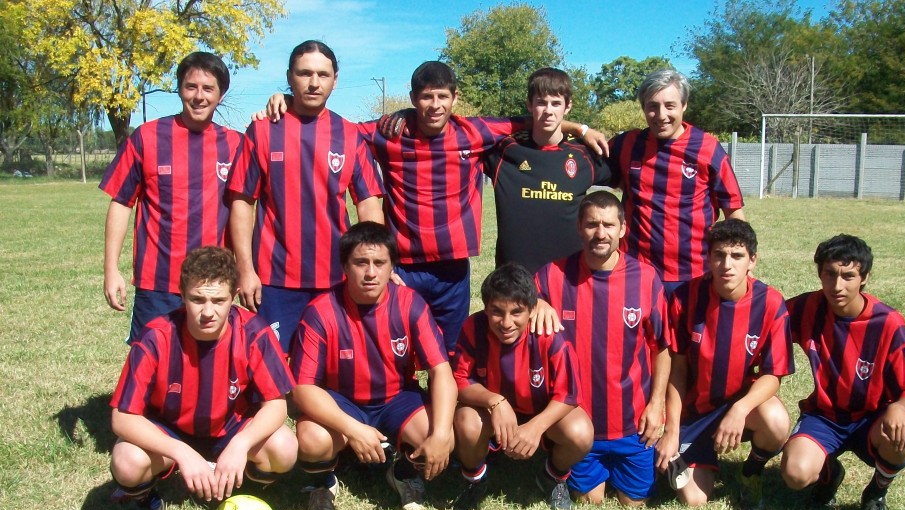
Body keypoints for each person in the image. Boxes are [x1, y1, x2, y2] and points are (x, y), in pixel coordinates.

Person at [263, 60, 604, 350]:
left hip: (452, 268)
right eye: (426, 97)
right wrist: (287, 101)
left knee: (453, 348)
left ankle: (450, 410)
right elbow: (335, 128)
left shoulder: (474, 132)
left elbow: (536, 117)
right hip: (404, 267)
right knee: (392, 343)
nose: (435, 105)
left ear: (455, 98)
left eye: (443, 96)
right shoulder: (390, 132)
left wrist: (580, 128)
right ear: (414, 99)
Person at [108, 246, 297, 510]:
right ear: (181, 295)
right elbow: (122, 417)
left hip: (229, 429)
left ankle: (242, 493)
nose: (208, 311)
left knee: (284, 448)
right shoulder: (156, 336)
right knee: (127, 461)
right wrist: (181, 452)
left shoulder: (254, 332)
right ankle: (147, 506)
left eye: (218, 300)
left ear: (234, 295)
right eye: (197, 299)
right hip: (171, 430)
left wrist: (240, 445)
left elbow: (276, 405)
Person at [289, 222, 456, 510]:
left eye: (379, 263)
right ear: (344, 266)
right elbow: (302, 388)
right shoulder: (321, 311)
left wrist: (442, 433)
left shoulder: (411, 304)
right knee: (312, 439)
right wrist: (354, 430)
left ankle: (402, 472)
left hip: (396, 398)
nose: (370, 273)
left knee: (442, 432)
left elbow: (441, 371)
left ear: (392, 266)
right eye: (360, 263)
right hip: (343, 400)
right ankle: (324, 482)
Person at [227, 40, 385, 349]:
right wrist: (245, 270)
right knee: (273, 372)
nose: (314, 83)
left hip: (338, 277)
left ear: (335, 80)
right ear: (289, 77)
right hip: (275, 279)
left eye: (323, 75)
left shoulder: (349, 134)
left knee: (334, 368)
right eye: (305, 73)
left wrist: (374, 264)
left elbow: (368, 204)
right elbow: (242, 202)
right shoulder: (262, 130)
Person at [780, 235, 905, 510]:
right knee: (795, 474)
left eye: (848, 276)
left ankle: (876, 494)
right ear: (819, 273)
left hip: (871, 418)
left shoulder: (888, 322)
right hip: (824, 415)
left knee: (903, 435)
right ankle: (829, 473)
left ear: (864, 278)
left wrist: (899, 409)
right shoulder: (808, 307)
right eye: (829, 274)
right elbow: (766, 317)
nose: (837, 285)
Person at [535, 191, 670, 505]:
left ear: (622, 229)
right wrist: (536, 303)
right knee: (590, 502)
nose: (600, 233)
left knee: (633, 505)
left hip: (632, 424)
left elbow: (661, 347)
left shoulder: (646, 278)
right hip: (581, 424)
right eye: (592, 224)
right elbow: (520, 299)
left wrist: (656, 405)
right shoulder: (553, 274)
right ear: (579, 226)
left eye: (609, 225)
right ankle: (553, 467)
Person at [100, 52, 242, 343]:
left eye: (208, 89)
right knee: (151, 362)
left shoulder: (236, 144)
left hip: (213, 285)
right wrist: (111, 269)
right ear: (180, 89)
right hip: (158, 282)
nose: (199, 96)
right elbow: (121, 202)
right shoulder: (147, 137)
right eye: (191, 87)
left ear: (221, 94)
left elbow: (248, 208)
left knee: (207, 365)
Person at [659, 219, 793, 510]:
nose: (726, 265)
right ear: (708, 258)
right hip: (695, 411)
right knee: (694, 499)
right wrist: (671, 428)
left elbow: (773, 374)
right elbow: (677, 370)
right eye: (719, 255)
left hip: (736, 405)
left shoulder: (770, 303)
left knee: (777, 421)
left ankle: (751, 472)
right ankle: (672, 452)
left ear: (752, 261)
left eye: (736, 256)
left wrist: (740, 409)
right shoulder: (686, 298)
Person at [450, 262, 593, 510]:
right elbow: (459, 380)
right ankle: (474, 479)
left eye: (516, 312)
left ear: (531, 310)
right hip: (492, 412)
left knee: (580, 432)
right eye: (497, 311)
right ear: (485, 307)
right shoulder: (473, 328)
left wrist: (536, 427)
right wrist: (495, 401)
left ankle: (553, 476)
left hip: (539, 411)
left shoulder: (547, 333)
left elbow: (569, 394)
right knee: (466, 421)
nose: (506, 322)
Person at [608, 68, 745, 299]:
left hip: (696, 273)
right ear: (643, 108)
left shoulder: (708, 148)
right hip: (637, 271)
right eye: (652, 106)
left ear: (684, 105)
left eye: (670, 106)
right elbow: (575, 152)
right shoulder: (627, 144)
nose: (661, 115)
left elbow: (735, 214)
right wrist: (578, 128)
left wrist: (738, 266)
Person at [486, 67, 615, 273]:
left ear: (567, 106)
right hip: (515, 281)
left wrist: (582, 131)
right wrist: (578, 127)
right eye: (541, 102)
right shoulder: (503, 152)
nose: (548, 110)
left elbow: (626, 179)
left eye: (556, 103)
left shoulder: (584, 156)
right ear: (529, 104)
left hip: (568, 279)